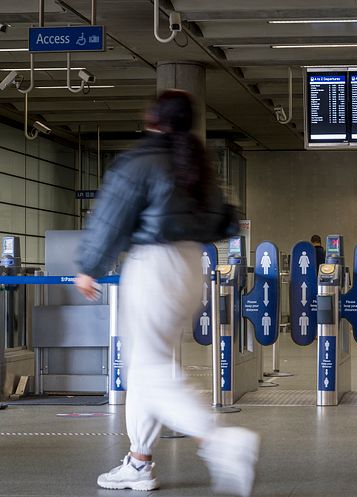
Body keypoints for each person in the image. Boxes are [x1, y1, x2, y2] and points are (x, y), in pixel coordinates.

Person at [74, 90, 258, 496]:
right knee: (146, 367)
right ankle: (139, 462)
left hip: (153, 267)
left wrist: (89, 266)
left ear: (152, 118)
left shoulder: (139, 160)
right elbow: (224, 221)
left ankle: (220, 441)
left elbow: (111, 215)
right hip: (193, 266)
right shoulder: (198, 163)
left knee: (151, 371)